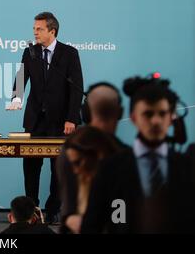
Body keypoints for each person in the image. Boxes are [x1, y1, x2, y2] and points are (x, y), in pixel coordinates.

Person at [81, 77, 195, 233]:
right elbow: (91, 226)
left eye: (162, 114)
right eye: (148, 114)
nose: (155, 121)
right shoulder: (110, 168)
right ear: (134, 117)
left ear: (171, 118)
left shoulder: (187, 167)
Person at [7, 12, 83, 223]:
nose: (35, 32)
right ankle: (32, 208)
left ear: (52, 31)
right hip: (35, 120)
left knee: (58, 167)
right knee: (30, 166)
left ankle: (53, 208)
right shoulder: (30, 52)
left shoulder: (69, 54)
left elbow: (77, 89)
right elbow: (21, 78)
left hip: (61, 121)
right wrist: (16, 98)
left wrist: (72, 119)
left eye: (39, 29)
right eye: (34, 29)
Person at [57, 82, 128, 232]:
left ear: (85, 112)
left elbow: (70, 208)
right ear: (120, 112)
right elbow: (120, 213)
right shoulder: (125, 154)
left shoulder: (69, 149)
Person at [61, 126, 118, 233]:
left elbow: (119, 224)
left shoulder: (117, 186)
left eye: (78, 163)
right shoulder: (79, 183)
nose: (75, 171)